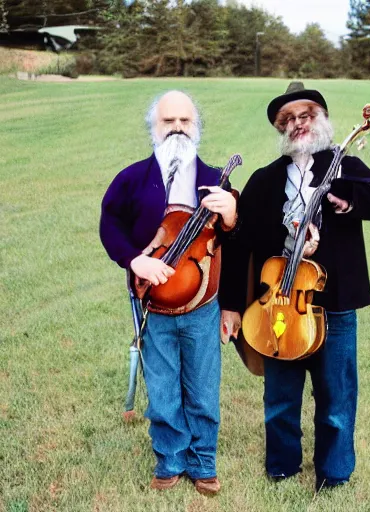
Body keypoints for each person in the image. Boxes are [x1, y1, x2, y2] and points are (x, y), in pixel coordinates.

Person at [219, 82, 370, 492]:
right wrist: (231, 305)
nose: (297, 124)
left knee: (336, 399)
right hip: (278, 304)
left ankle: (334, 473)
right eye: (288, 119)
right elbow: (239, 241)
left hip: (334, 304)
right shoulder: (265, 179)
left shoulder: (343, 166)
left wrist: (344, 199)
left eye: (305, 115)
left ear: (322, 120)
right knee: (280, 398)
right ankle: (281, 465)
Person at [100, 90, 237, 495]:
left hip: (202, 305)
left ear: (197, 128)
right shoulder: (132, 178)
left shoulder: (216, 179)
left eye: (185, 120)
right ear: (153, 128)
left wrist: (230, 213)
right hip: (152, 305)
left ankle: (203, 461)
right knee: (161, 387)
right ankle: (169, 458)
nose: (177, 127)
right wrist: (133, 260)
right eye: (168, 121)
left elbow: (236, 238)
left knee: (202, 386)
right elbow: (110, 225)